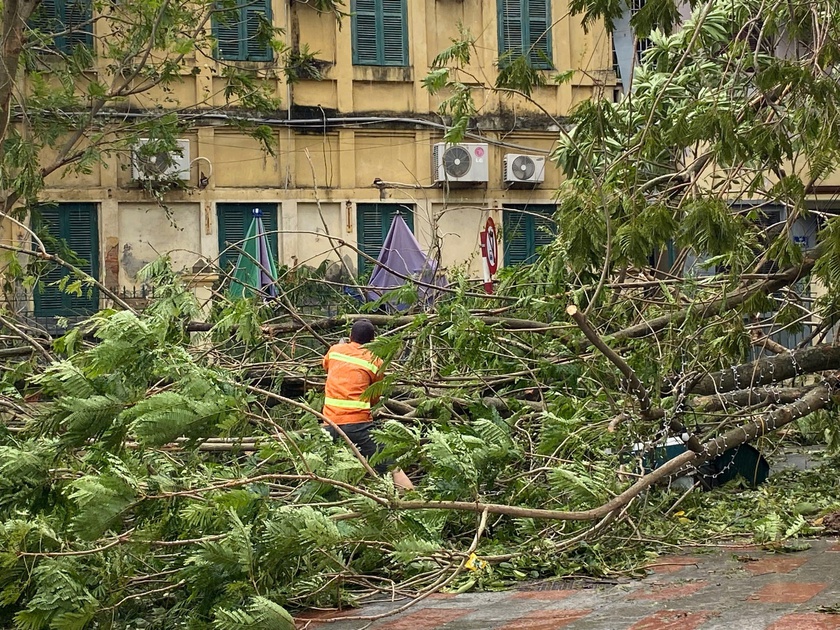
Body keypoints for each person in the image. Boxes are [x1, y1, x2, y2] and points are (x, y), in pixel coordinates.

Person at [322, 318, 414, 490]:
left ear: (350, 336)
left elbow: (326, 366)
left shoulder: (334, 351)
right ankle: (412, 498)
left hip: (329, 423)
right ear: (373, 341)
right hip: (358, 424)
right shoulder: (375, 362)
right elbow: (373, 398)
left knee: (323, 464)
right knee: (390, 465)